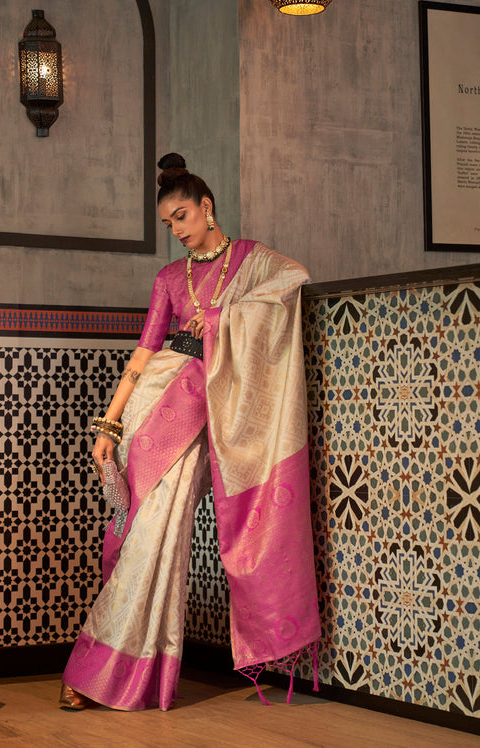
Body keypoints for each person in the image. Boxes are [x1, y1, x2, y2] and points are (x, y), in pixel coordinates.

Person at [59, 153, 321, 712]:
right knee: (146, 533)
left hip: (216, 402)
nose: (175, 230)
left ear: (207, 206)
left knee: (160, 534)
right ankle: (107, 666)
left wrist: (223, 318)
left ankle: (107, 670)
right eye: (167, 223)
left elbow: (293, 279)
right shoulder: (167, 279)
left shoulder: (251, 259)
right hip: (161, 400)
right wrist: (110, 421)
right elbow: (144, 353)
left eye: (181, 216)